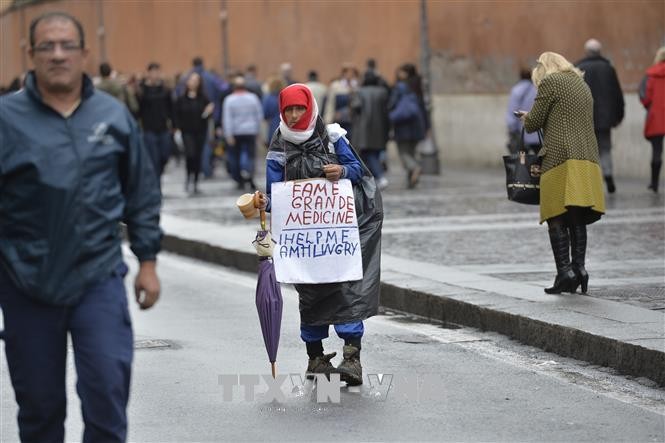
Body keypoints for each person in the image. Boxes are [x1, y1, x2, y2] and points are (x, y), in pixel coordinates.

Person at [0, 11, 162, 442]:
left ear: (84, 53)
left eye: (67, 45)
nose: (57, 55)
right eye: (46, 46)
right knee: (39, 408)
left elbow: (141, 191)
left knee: (108, 393)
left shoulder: (112, 116)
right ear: (30, 54)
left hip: (98, 278)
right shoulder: (6, 119)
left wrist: (147, 260)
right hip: (25, 282)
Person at [255, 84, 383, 386]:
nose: (296, 114)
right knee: (311, 297)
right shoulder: (277, 152)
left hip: (338, 238)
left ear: (310, 108)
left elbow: (358, 170)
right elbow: (276, 196)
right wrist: (262, 202)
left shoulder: (334, 137)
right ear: (282, 112)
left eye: (300, 108)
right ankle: (316, 358)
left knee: (347, 291)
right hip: (305, 245)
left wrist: (342, 171)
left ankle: (352, 359)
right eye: (289, 110)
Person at [519, 52, 605, 295]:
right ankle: (580, 270)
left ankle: (564, 273)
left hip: (560, 156)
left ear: (544, 68)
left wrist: (526, 117)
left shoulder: (551, 82)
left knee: (555, 215)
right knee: (577, 214)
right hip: (587, 156)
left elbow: (534, 123)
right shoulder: (581, 84)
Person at [576, 38, 625, 194]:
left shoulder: (579, 68)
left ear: (586, 51)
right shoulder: (608, 68)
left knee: (587, 150)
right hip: (605, 118)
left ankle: (591, 180)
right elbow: (617, 94)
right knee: (605, 148)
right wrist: (619, 115)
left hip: (585, 117)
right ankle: (608, 175)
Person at [174, 71, 213, 194]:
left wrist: (208, 111)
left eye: (196, 81)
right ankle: (188, 177)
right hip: (187, 131)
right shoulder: (181, 99)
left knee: (198, 156)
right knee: (190, 155)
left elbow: (207, 115)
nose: (193, 83)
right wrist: (177, 128)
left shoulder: (203, 98)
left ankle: (195, 181)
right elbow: (176, 115)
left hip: (200, 131)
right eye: (191, 80)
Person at [388, 64, 426, 189]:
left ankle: (415, 168)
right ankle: (411, 180)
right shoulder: (417, 86)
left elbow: (392, 103)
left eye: (401, 72)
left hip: (402, 125)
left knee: (403, 153)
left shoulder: (400, 87)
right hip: (416, 125)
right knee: (411, 152)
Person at [222, 75, 263, 190]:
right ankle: (249, 174)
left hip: (236, 131)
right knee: (250, 155)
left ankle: (239, 179)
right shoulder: (253, 98)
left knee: (235, 156)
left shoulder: (229, 100)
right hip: (250, 130)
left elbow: (227, 118)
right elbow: (259, 115)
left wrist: (228, 134)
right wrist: (258, 131)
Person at [351, 71, 390, 189]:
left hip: (364, 127)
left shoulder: (360, 92)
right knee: (376, 153)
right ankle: (374, 177)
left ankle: (380, 177)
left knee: (368, 153)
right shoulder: (383, 92)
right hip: (380, 127)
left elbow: (356, 106)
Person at [137, 62, 174, 184]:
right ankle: (156, 184)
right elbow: (138, 109)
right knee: (154, 158)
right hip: (148, 129)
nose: (155, 74)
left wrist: (173, 124)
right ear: (148, 73)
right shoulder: (142, 90)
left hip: (163, 128)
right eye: (152, 72)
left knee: (165, 155)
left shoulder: (165, 89)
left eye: (157, 72)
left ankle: (158, 175)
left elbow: (171, 108)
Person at [639, 47, 665, 193]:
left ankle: (654, 184)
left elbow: (645, 97)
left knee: (657, 150)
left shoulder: (650, 75)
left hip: (657, 117)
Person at [506, 67, 541, 154]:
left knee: (522, 162)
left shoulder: (517, 90)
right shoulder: (537, 89)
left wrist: (512, 129)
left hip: (521, 133)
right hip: (537, 132)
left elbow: (512, 112)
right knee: (539, 162)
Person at [263, 76, 285, 146]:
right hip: (285, 126)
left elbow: (265, 113)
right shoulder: (284, 96)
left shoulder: (268, 98)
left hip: (272, 126)